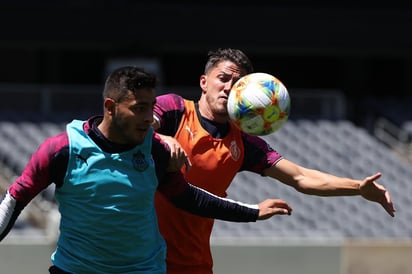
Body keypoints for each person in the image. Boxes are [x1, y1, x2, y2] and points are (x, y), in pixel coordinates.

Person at [0, 66, 293, 274]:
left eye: (151, 107)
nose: (147, 117)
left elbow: (189, 197)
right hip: (75, 269)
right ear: (110, 107)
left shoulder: (154, 151)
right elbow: (15, 199)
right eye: (139, 108)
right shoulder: (62, 150)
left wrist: (253, 212)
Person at [153, 48, 396, 274]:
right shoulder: (175, 110)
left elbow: (301, 177)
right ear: (204, 82)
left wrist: (358, 188)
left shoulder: (244, 143)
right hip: (141, 258)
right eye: (223, 78)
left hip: (194, 264)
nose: (229, 87)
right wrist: (163, 137)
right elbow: (135, 128)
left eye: (238, 83)